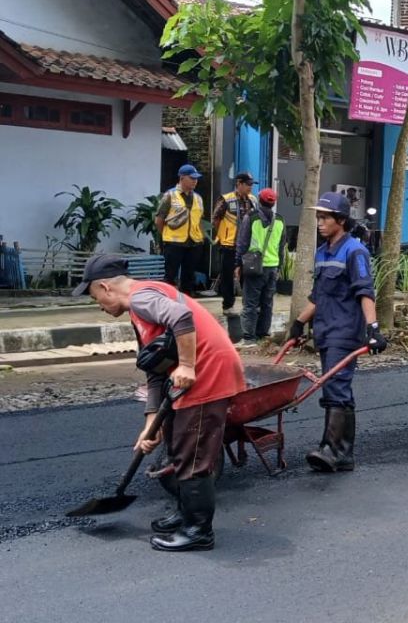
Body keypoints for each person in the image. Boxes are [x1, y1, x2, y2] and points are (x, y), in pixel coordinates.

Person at [73, 253, 245, 551]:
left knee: (193, 456)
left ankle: (198, 532)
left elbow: (181, 317)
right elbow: (154, 369)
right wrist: (151, 424)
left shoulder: (142, 298)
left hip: (208, 372)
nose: (99, 306)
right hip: (190, 376)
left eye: (95, 299)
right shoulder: (138, 310)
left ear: (105, 287)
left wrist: (188, 365)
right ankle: (184, 513)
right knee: (179, 447)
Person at [287, 192, 387, 472]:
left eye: (325, 217)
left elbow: (365, 291)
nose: (320, 222)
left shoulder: (355, 251)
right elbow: (319, 294)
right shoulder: (322, 252)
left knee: (337, 386)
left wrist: (373, 328)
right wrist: (298, 323)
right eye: (318, 217)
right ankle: (338, 451)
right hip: (325, 330)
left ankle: (335, 450)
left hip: (344, 331)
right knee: (334, 387)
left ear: (341, 220)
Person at [234, 187, 284, 348]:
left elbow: (242, 242)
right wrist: (279, 267)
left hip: (255, 266)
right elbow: (281, 246)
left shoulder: (251, 217)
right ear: (273, 202)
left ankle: (249, 337)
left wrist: (237, 264)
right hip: (273, 266)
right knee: (267, 302)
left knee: (250, 303)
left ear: (259, 200)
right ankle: (263, 334)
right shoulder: (280, 220)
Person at [212, 171, 259, 313]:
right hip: (229, 244)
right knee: (227, 276)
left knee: (248, 276)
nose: (250, 187)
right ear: (239, 183)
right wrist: (222, 234)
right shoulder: (226, 199)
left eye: (251, 184)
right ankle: (228, 305)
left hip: (248, 246)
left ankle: (249, 304)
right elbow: (216, 219)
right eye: (247, 184)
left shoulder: (253, 200)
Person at [156, 164, 205, 295]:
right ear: (182, 178)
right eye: (192, 178)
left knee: (189, 277)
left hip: (194, 242)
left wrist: (201, 237)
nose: (195, 181)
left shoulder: (198, 198)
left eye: (196, 178)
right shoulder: (170, 196)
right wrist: (165, 236)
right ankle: (168, 304)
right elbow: (159, 219)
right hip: (174, 243)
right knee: (170, 277)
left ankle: (186, 305)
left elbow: (199, 220)